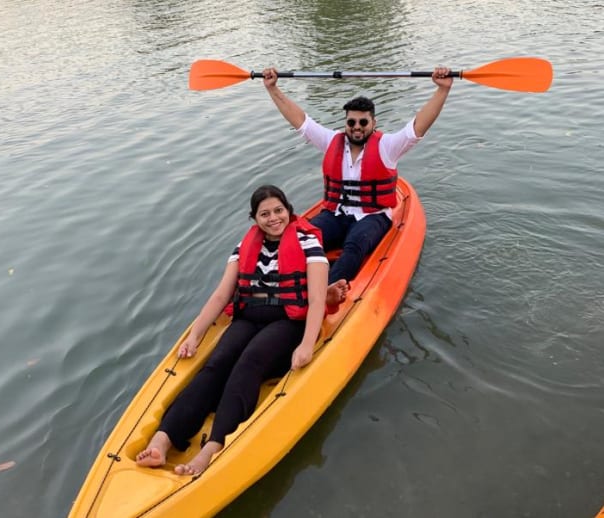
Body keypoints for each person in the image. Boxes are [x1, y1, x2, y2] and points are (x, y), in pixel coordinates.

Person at [136, 185, 346, 475]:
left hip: (288, 322)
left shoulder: (309, 245)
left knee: (250, 361)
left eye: (278, 210)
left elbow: (316, 298)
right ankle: (163, 439)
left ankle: (214, 446)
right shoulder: (243, 248)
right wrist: (195, 336)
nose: (273, 218)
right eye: (265, 214)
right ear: (254, 218)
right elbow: (222, 296)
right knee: (217, 363)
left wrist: (308, 344)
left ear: (288, 211)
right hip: (248, 319)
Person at [262, 66, 453, 284]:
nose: (357, 127)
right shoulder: (332, 140)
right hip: (336, 213)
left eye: (363, 122)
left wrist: (442, 91)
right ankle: (279, 284)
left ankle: (325, 293)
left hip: (373, 216)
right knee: (300, 239)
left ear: (373, 123)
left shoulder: (388, 147)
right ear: (346, 124)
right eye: (351, 122)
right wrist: (273, 88)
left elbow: (418, 127)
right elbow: (301, 122)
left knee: (354, 246)